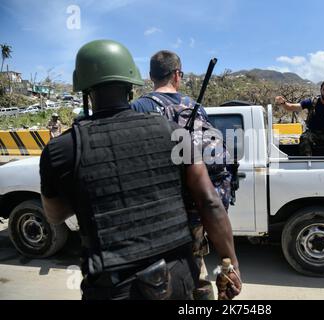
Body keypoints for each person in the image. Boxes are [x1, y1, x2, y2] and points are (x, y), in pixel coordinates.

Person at [39, 40, 241, 300]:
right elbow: (209, 202)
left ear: (85, 89)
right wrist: (231, 263)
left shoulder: (61, 149)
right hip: (180, 278)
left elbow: (55, 215)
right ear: (131, 85)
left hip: (115, 287)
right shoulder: (173, 131)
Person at [131, 50, 238, 300]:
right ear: (178, 75)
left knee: (155, 279)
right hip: (194, 208)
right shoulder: (196, 108)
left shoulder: (138, 107)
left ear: (150, 77)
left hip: (158, 212)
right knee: (196, 272)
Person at [275, 79, 324, 156]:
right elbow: (292, 107)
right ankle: (307, 165)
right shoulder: (311, 102)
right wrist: (283, 103)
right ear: (321, 90)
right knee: (304, 137)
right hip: (312, 134)